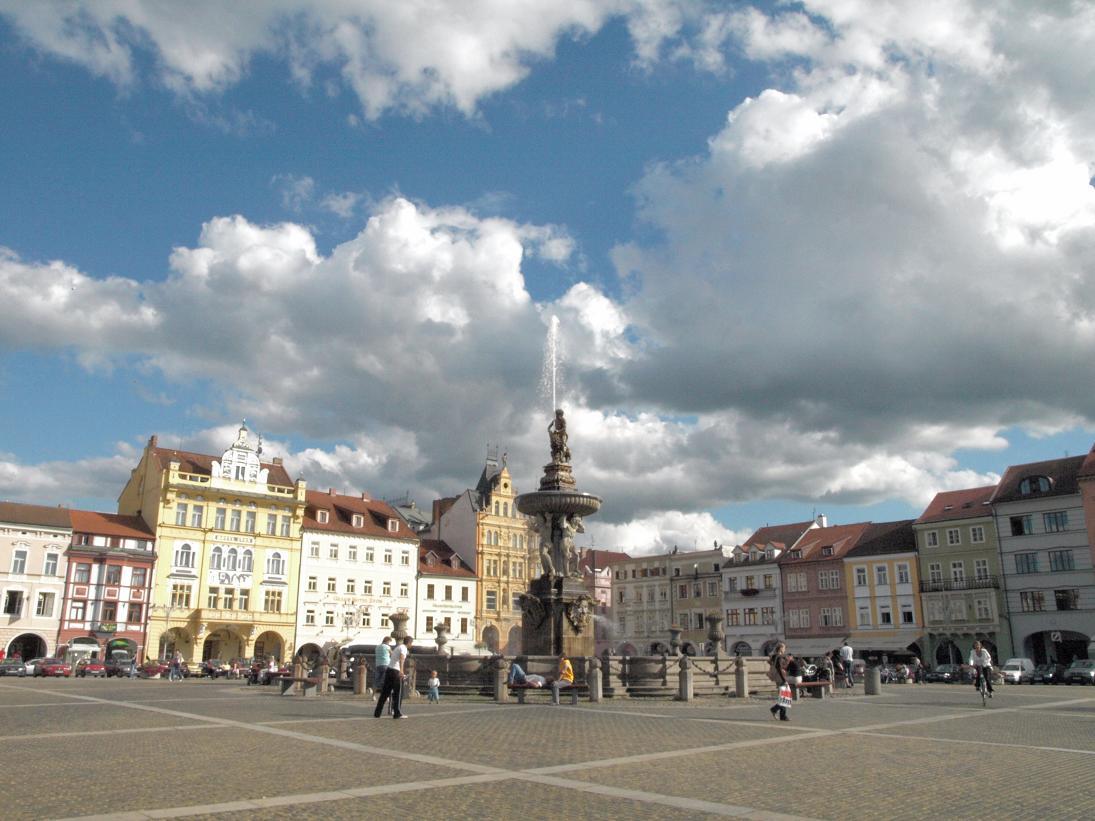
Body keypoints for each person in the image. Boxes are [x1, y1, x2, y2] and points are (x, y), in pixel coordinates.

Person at [375, 636, 412, 719]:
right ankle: (397, 713)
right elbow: (402, 658)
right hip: (396, 672)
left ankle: (377, 713)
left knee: (385, 693)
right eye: (411, 643)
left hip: (389, 670)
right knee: (398, 693)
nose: (411, 645)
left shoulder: (398, 647)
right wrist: (401, 670)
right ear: (409, 643)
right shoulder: (404, 648)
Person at [769, 643, 790, 721]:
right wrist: (784, 680)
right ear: (780, 648)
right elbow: (780, 669)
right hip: (781, 679)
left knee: (784, 696)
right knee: (785, 696)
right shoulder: (779, 657)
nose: (785, 649)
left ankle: (782, 715)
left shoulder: (774, 656)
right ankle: (776, 710)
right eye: (784, 648)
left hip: (778, 679)